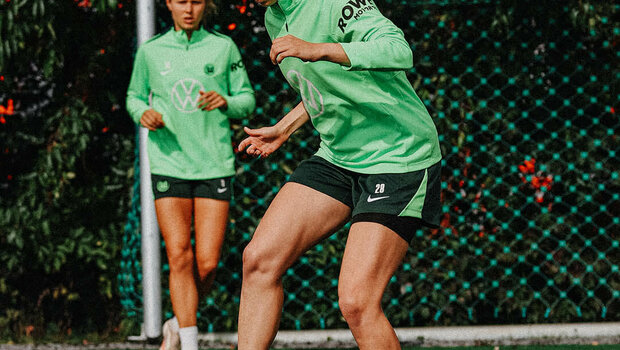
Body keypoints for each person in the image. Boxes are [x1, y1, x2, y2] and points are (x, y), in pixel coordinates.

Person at [236, 0, 442, 348]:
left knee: (357, 301)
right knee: (259, 261)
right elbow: (330, 87)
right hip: (338, 155)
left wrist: (319, 49)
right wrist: (285, 127)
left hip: (397, 156)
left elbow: (398, 50)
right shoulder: (274, 17)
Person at [125, 0, 255, 349]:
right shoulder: (151, 52)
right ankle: (189, 341)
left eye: (196, 2)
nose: (189, 9)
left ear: (205, 6)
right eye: (181, 1)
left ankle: (176, 321)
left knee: (207, 263)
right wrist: (144, 113)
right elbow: (134, 97)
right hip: (169, 163)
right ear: (168, 4)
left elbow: (247, 101)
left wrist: (226, 100)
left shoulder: (223, 47)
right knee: (179, 254)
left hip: (214, 164)